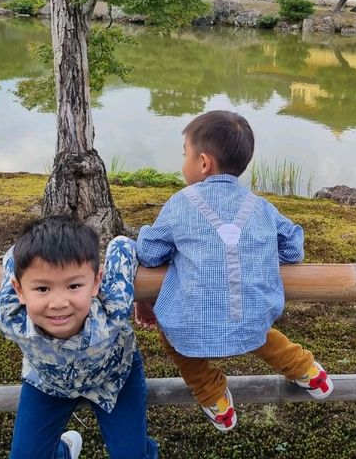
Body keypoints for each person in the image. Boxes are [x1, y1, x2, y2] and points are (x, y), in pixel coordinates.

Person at [135, 110, 333, 432]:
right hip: (252, 316)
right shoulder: (261, 206)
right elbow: (294, 248)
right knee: (258, 331)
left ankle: (213, 395)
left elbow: (150, 252)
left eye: (184, 155)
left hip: (192, 323)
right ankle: (305, 369)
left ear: (202, 162)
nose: (182, 163)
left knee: (171, 336)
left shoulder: (180, 204)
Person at [0, 215, 159, 459]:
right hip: (48, 383)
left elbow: (122, 244)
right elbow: (13, 256)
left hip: (115, 378)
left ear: (96, 283)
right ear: (19, 290)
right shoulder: (11, 317)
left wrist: (144, 299)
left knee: (131, 454)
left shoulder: (113, 306)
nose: (59, 303)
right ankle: (64, 451)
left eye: (73, 286)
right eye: (42, 288)